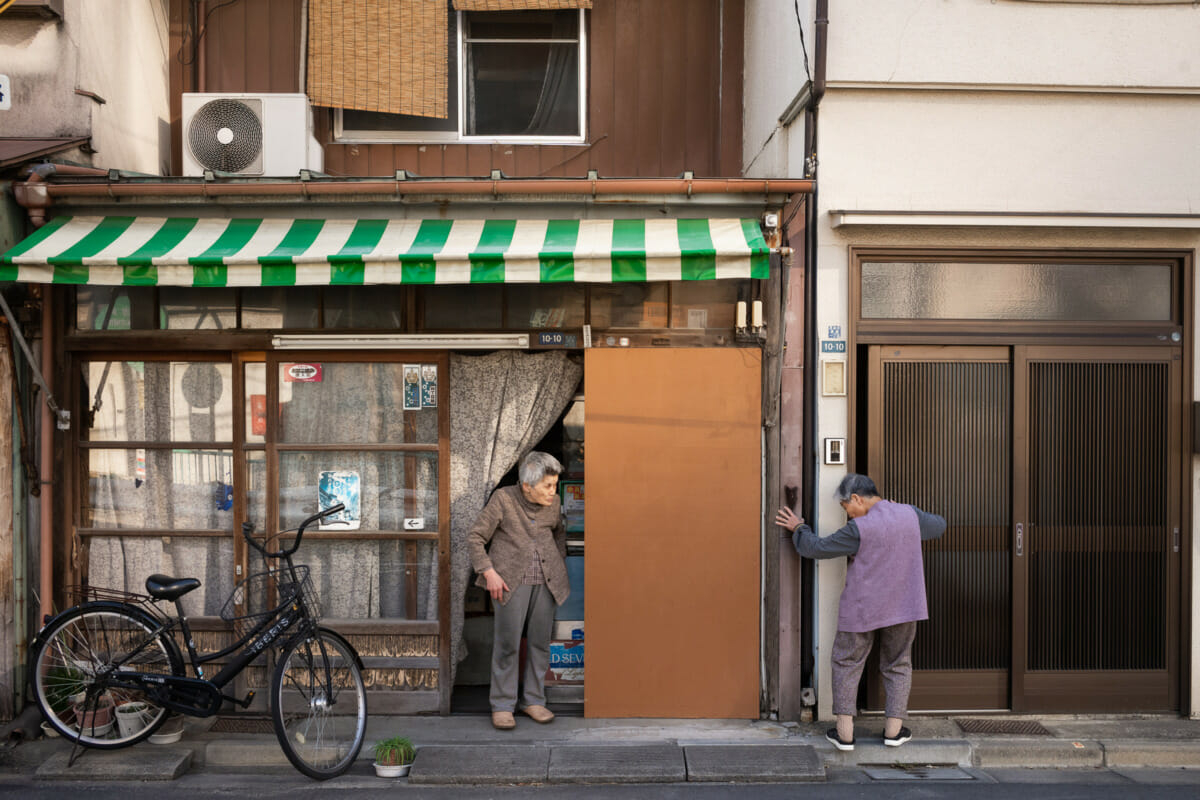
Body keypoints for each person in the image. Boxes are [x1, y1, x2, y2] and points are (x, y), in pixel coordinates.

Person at [775, 473, 945, 752]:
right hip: (905, 606)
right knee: (898, 664)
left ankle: (844, 735)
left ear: (856, 498)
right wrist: (905, 515)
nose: (849, 515)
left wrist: (798, 528)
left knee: (846, 663)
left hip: (862, 608)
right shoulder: (909, 515)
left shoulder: (859, 529)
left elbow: (815, 548)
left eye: (846, 508)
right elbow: (939, 525)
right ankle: (893, 732)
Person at [468, 451, 571, 730]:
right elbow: (475, 537)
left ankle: (534, 701)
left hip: (547, 583)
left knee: (540, 643)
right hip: (510, 583)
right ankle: (502, 705)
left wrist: (557, 560)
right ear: (527, 486)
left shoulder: (554, 504)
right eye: (548, 486)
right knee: (507, 645)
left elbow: (559, 533)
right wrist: (488, 572)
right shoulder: (503, 499)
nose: (554, 491)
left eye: (555, 484)